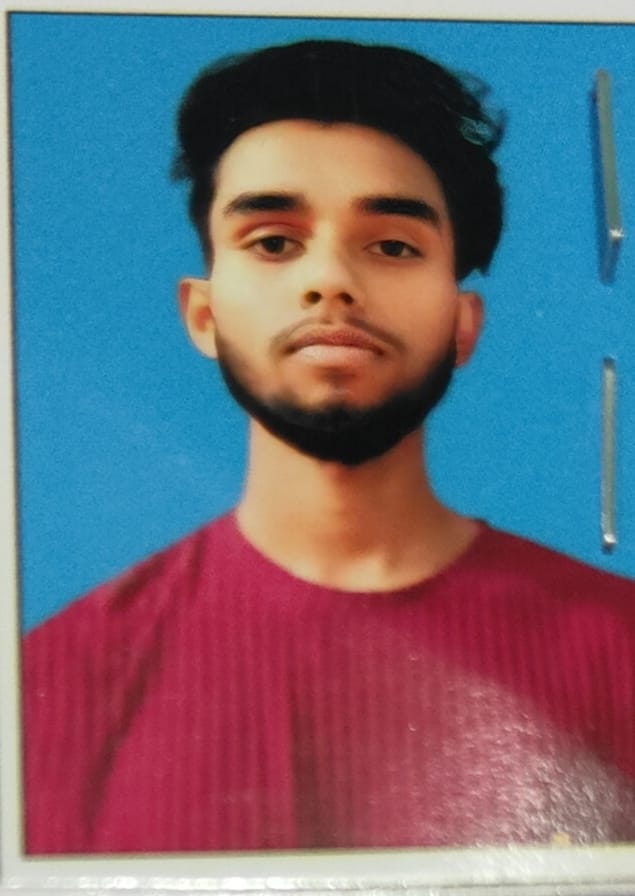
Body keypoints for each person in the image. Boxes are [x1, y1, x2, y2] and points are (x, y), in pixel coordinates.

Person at [22, 39, 635, 855]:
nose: (331, 281)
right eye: (274, 242)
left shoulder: (619, 650)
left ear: (463, 324)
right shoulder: (50, 687)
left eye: (392, 245)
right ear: (202, 313)